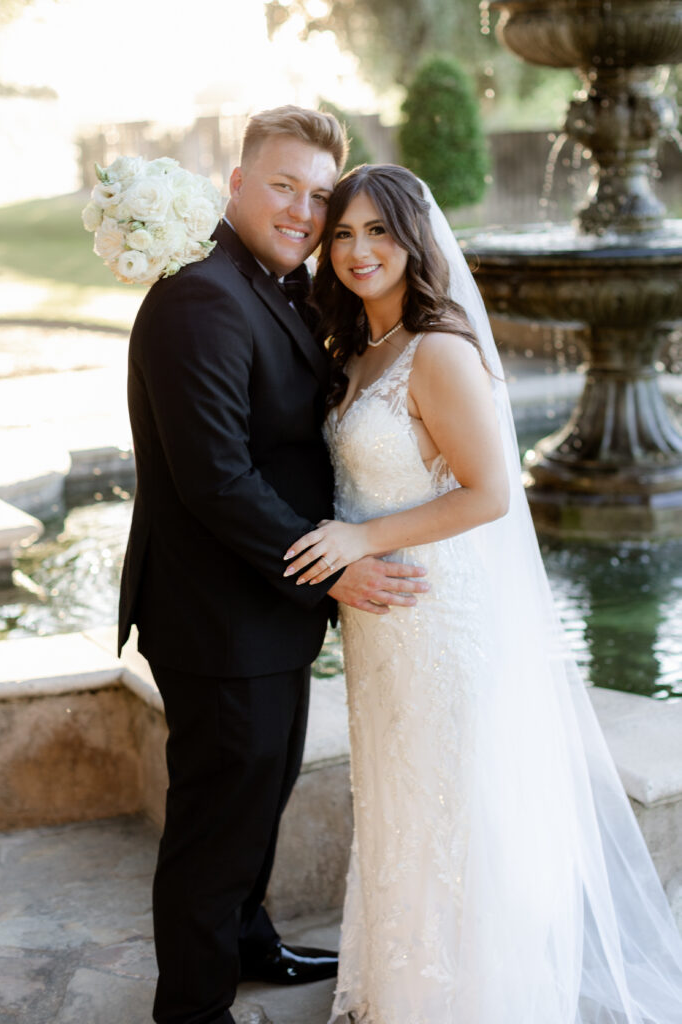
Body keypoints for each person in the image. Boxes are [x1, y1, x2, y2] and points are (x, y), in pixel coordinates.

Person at [285, 164, 682, 1024]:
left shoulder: (441, 349)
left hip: (438, 615)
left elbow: (488, 494)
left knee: (453, 801)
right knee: (398, 794)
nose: (359, 250)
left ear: (414, 239)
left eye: (379, 231)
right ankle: (404, 984)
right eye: (344, 232)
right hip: (379, 621)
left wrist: (359, 540)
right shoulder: (354, 345)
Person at [118, 112, 429, 1024]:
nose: (302, 209)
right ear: (237, 184)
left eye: (319, 194)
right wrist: (332, 573)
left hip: (263, 612)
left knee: (260, 793)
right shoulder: (201, 296)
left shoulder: (276, 284)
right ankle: (194, 1004)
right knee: (216, 827)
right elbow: (215, 477)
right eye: (283, 185)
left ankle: (248, 942)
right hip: (217, 618)